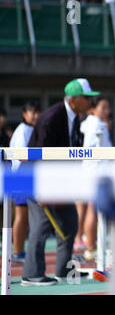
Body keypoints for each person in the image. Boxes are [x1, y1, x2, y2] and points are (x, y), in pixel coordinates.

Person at [21, 78, 97, 286]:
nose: (90, 101)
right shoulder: (51, 118)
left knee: (70, 220)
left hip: (58, 179)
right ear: (73, 99)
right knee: (41, 226)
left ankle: (63, 269)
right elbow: (39, 154)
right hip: (37, 177)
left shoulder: (76, 117)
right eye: (86, 97)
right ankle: (31, 274)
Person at [74, 98, 112, 261]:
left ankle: (82, 240)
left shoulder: (86, 123)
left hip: (85, 169)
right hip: (95, 171)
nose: (107, 111)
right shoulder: (98, 125)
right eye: (103, 107)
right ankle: (90, 247)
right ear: (93, 109)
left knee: (83, 208)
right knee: (92, 209)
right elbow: (107, 151)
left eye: (108, 107)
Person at [9, 102, 41, 264]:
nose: (35, 115)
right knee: (21, 214)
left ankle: (20, 250)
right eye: (31, 112)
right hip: (21, 175)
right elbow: (23, 156)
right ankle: (17, 251)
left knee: (26, 215)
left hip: (28, 175)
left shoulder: (32, 129)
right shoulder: (22, 131)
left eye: (37, 112)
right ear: (24, 114)